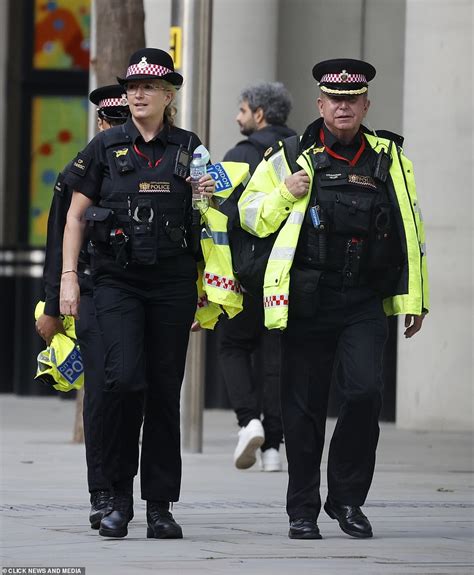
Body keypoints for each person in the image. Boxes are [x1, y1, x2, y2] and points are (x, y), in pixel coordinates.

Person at [238, 58, 428, 539]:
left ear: (366, 104)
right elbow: (248, 213)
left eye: (353, 99)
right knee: (302, 410)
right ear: (320, 103)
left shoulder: (389, 157)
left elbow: (412, 230)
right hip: (306, 297)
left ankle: (346, 501)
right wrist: (284, 192)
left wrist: (415, 298)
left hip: (364, 299)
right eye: (334, 99)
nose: (343, 107)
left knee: (365, 394)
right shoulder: (288, 155)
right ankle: (302, 509)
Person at [59, 48, 216, 540]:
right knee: (124, 380)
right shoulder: (106, 146)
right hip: (116, 281)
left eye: (148, 87)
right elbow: (74, 216)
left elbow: (214, 219)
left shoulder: (189, 146)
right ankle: (117, 499)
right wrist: (67, 277)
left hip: (172, 283)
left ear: (169, 94)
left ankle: (160, 507)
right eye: (132, 87)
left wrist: (207, 194)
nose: (138, 94)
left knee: (164, 393)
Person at [35, 84, 130, 529]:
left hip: (137, 292)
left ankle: (130, 491)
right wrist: (52, 305)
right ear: (100, 123)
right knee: (101, 394)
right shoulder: (80, 171)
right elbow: (57, 244)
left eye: (121, 121)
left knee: (132, 390)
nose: (114, 129)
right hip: (90, 293)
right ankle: (102, 491)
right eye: (109, 121)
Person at [218, 82, 295, 472]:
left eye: (243, 109)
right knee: (275, 358)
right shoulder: (301, 152)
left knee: (233, 347)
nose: (238, 117)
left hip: (246, 274)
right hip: (287, 276)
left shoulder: (240, 155)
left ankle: (248, 422)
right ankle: (273, 450)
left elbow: (220, 214)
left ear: (259, 114)